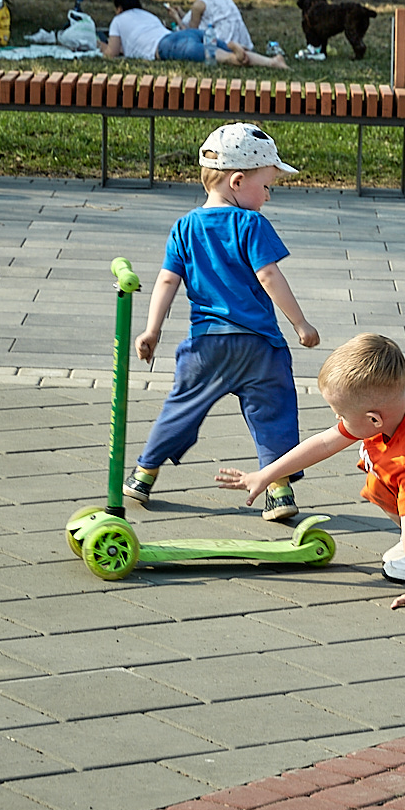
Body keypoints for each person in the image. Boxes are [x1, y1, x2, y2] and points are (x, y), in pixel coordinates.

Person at [217, 334, 405, 615]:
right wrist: (265, 475)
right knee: (379, 481)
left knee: (390, 487)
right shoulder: (400, 411)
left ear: (374, 419)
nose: (337, 420)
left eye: (340, 414)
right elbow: (325, 442)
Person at [123, 123, 320, 521]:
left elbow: (166, 280)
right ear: (237, 180)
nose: (268, 194)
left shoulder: (184, 227)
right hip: (259, 346)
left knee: (181, 408)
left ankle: (144, 473)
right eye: (266, 184)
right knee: (274, 412)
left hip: (207, 345)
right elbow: (269, 277)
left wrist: (152, 330)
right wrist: (300, 324)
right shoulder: (251, 225)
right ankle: (278, 491)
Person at [100, 0, 288, 68]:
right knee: (216, 46)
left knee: (219, 56)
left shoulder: (118, 20)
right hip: (187, 35)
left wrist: (97, 44)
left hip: (167, 47)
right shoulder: (147, 15)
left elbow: (112, 53)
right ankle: (272, 62)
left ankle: (232, 55)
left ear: (119, 8)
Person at [176, 0, 256, 51]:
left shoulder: (199, 4)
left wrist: (176, 18)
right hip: (241, 37)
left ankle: (229, 48)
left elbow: (191, 33)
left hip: (224, 37)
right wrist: (180, 13)